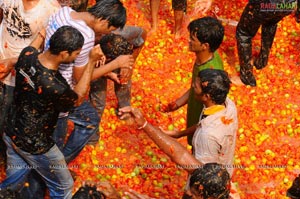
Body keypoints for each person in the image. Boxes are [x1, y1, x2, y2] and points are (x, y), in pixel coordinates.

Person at [0, 25, 103, 198]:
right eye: (76, 53)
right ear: (64, 54)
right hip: (35, 145)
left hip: (11, 132)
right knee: (63, 186)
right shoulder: (55, 86)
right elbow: (78, 97)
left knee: (13, 183)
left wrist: (41, 33)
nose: (78, 57)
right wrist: (91, 62)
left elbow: (34, 45)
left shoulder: (27, 55)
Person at [119, 69, 238, 198]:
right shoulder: (226, 105)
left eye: (196, 86)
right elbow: (203, 124)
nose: (192, 86)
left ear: (206, 96)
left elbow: (189, 163)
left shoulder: (208, 138)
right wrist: (179, 134)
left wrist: (145, 125)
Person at [0, 0, 60, 160]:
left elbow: (47, 54)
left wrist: (12, 62)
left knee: (7, 114)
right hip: (2, 58)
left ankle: (5, 155)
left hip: (22, 75)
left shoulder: (51, 10)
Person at [161, 16, 224, 147]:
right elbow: (194, 86)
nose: (188, 41)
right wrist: (177, 104)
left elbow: (207, 122)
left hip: (203, 134)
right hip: (195, 115)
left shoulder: (210, 75)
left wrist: (180, 133)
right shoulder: (208, 57)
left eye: (193, 39)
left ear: (205, 46)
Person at [236, 0, 300, 86]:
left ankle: (246, 77)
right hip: (287, 5)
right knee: (270, 23)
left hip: (267, 4)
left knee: (244, 34)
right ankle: (262, 61)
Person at [89, 33, 134, 127]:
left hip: (112, 55)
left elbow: (142, 35)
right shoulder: (87, 47)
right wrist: (108, 73)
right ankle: (92, 136)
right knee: (98, 100)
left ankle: (124, 108)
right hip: (92, 65)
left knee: (124, 78)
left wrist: (128, 66)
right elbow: (85, 76)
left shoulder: (127, 35)